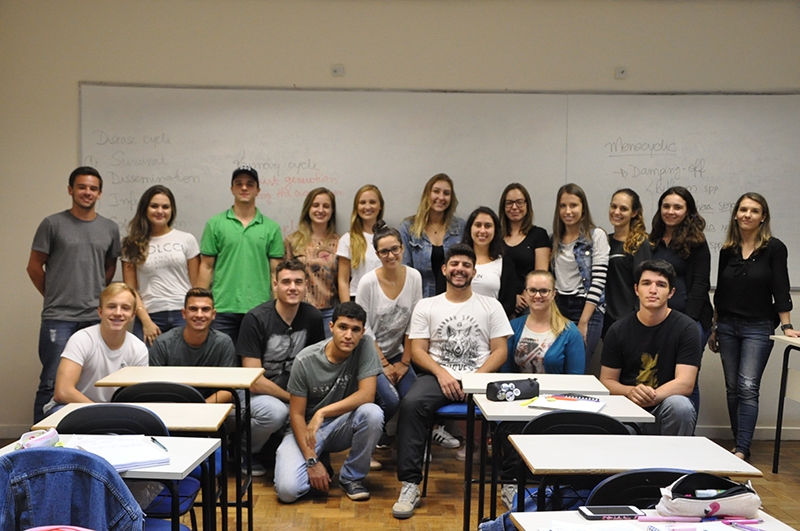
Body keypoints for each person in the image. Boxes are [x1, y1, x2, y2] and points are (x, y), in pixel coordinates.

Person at [392, 243, 512, 520]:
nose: (460, 269)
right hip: (438, 376)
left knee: (510, 410)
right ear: (445, 269)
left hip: (481, 376)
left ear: (474, 272)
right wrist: (442, 373)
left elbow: (500, 351)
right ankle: (410, 485)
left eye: (466, 265)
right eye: (455, 264)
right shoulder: (427, 305)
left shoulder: (491, 305)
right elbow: (418, 350)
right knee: (411, 404)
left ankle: (511, 483)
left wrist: (475, 380)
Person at [708, 193, 799, 460]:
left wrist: (787, 325)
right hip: (726, 326)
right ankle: (739, 441)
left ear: (763, 217)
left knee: (748, 386)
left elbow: (780, 287)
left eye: (754, 210)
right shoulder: (727, 250)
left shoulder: (775, 248)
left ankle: (742, 449)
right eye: (743, 209)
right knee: (733, 387)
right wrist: (714, 327)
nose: (748, 214)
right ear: (736, 214)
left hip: (758, 327)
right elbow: (721, 291)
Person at [27, 166, 121, 422]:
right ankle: (39, 440)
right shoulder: (52, 224)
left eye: (93, 188)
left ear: (99, 193)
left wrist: (93, 293)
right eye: (81, 187)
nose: (87, 192)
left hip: (94, 317)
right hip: (59, 318)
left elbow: (109, 268)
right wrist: (54, 295)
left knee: (90, 381)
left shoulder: (110, 228)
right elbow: (34, 267)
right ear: (70, 190)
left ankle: (84, 434)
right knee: (51, 382)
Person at [273, 302, 384, 503]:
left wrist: (322, 412)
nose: (348, 335)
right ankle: (319, 459)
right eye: (343, 327)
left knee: (372, 413)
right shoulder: (305, 360)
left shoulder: (366, 345)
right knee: (288, 491)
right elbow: (296, 414)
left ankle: (351, 478)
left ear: (362, 332)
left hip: (341, 424)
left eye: (355, 330)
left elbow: (367, 394)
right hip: (307, 429)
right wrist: (311, 460)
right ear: (331, 327)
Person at [496, 269, 585, 509]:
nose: (538, 296)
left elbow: (576, 380)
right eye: (533, 290)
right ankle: (510, 483)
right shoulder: (513, 327)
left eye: (544, 291)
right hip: (518, 402)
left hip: (556, 403)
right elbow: (506, 372)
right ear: (525, 293)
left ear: (553, 294)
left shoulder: (569, 332)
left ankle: (554, 487)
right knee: (510, 424)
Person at [237, 259, 326, 476]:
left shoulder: (313, 317)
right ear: (275, 285)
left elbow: (316, 365)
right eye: (286, 282)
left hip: (293, 391)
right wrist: (293, 399)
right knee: (276, 412)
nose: (293, 287)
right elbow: (254, 381)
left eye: (298, 282)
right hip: (255, 393)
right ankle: (245, 451)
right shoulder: (255, 318)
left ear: (306, 286)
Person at [600, 260, 700, 436]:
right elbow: (607, 381)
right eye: (646, 283)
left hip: (664, 407)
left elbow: (685, 383)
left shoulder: (687, 328)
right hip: (629, 408)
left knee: (681, 406)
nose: (653, 290)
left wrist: (651, 396)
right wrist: (631, 392)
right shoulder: (618, 329)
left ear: (671, 292)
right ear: (637, 289)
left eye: (661, 285)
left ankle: (674, 455)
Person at [356, 221, 423, 459]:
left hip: (398, 352)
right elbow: (363, 328)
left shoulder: (414, 277)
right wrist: (383, 364)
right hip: (368, 354)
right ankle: (370, 439)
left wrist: (404, 362)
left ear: (402, 248)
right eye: (384, 251)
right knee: (390, 401)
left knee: (414, 398)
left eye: (395, 249)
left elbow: (415, 322)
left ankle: (407, 446)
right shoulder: (367, 283)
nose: (391, 255)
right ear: (377, 254)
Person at [197, 165, 284, 344]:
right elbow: (206, 267)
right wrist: (201, 305)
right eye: (239, 184)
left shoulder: (271, 228)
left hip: (259, 308)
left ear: (258, 190)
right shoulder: (215, 224)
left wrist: (278, 308)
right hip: (222, 308)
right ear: (232, 189)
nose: (244, 188)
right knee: (222, 359)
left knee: (254, 358)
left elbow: (275, 272)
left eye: (250, 184)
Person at [649, 186, 712, 414]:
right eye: (666, 206)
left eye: (677, 207)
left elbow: (700, 284)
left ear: (688, 211)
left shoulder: (697, 241)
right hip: (660, 320)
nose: (671, 211)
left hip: (690, 321)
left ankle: (687, 429)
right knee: (662, 376)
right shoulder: (653, 241)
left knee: (687, 379)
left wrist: (688, 323)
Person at [45, 283, 148, 414]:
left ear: (133, 315)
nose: (118, 313)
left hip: (113, 412)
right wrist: (101, 413)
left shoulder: (139, 349)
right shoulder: (82, 339)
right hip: (73, 407)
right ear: (100, 312)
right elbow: (62, 392)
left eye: (125, 308)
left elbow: (137, 398)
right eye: (111, 306)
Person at [121, 185, 200, 346]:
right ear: (145, 209)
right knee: (144, 361)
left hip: (182, 314)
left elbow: (196, 285)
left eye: (165, 207)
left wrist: (193, 314)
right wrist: (146, 321)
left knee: (184, 361)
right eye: (154, 206)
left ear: (172, 210)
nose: (160, 211)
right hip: (149, 315)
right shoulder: (131, 244)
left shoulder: (186, 239)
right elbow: (131, 289)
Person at [550, 183, 609, 368]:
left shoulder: (596, 236)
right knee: (555, 365)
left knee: (577, 368)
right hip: (559, 309)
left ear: (583, 208)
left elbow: (599, 281)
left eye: (573, 205)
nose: (568, 211)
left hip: (586, 309)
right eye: (563, 206)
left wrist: (583, 322)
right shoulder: (554, 239)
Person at [149, 287, 236, 405]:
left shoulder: (223, 343)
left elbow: (229, 390)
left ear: (213, 314)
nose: (199, 315)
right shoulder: (162, 343)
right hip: (171, 407)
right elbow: (155, 388)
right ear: (184, 313)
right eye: (193, 309)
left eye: (205, 309)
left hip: (210, 408)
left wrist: (199, 409)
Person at [400, 174, 466, 298]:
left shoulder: (461, 227)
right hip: (421, 299)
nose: (441, 197)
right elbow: (404, 270)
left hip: (454, 298)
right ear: (427, 194)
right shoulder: (408, 227)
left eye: (446, 193)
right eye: (436, 191)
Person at [284, 187, 339, 334]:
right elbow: (285, 278)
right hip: (299, 311)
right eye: (315, 205)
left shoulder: (340, 243)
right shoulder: (293, 241)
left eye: (326, 206)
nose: (320, 210)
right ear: (308, 208)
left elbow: (344, 281)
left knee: (328, 349)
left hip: (330, 312)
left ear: (332, 210)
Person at [604, 188, 652, 335]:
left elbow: (645, 283)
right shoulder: (605, 241)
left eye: (623, 209)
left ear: (634, 213)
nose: (616, 212)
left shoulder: (639, 243)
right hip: (606, 318)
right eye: (614, 206)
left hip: (629, 319)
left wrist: (637, 319)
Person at [498, 183, 550, 317]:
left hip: (530, 302)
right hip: (500, 302)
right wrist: (511, 298)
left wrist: (524, 297)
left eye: (519, 202)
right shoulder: (496, 236)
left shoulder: (538, 235)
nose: (514, 207)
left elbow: (541, 274)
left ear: (527, 205)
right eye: (509, 203)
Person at [462, 206, 516, 318]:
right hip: (458, 321)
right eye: (478, 225)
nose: (482, 231)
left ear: (495, 230)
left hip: (492, 323)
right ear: (470, 228)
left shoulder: (505, 263)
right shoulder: (455, 260)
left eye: (488, 226)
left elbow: (509, 303)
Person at [337, 185, 384, 302]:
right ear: (356, 207)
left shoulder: (389, 238)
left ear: (380, 206)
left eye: (372, 202)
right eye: (362, 202)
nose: (367, 207)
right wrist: (347, 308)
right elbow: (343, 281)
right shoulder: (348, 239)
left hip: (385, 298)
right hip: (357, 298)